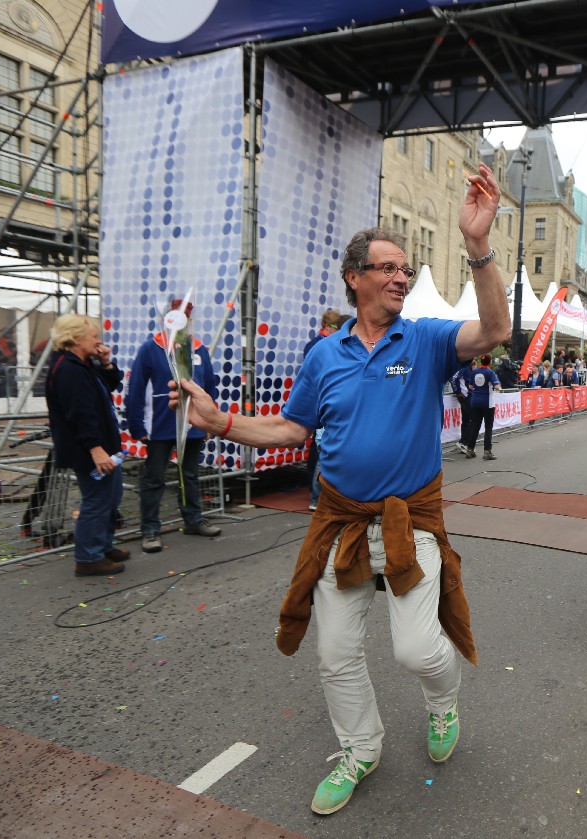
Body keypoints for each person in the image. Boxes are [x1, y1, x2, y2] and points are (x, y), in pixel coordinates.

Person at [171, 163, 509, 817]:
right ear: (355, 278)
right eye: (388, 268)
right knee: (334, 654)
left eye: (405, 269)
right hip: (340, 522)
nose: (401, 277)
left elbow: (494, 330)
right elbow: (292, 428)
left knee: (417, 649)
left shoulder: (427, 338)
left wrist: (477, 243)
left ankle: (443, 701)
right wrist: (219, 422)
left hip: (411, 520)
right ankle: (361, 747)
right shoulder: (324, 354)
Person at [125, 301, 222, 554]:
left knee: (190, 475)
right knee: (154, 478)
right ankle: (150, 528)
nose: (184, 322)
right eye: (179, 316)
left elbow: (209, 387)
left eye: (187, 317)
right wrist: (136, 425)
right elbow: (136, 387)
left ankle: (193, 519)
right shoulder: (151, 348)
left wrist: (211, 420)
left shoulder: (198, 348)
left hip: (194, 423)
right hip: (161, 423)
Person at [44, 314, 131, 576]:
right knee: (97, 501)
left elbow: (108, 386)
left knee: (111, 497)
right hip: (90, 450)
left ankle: (102, 546)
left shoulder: (81, 364)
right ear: (75, 338)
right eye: (93, 336)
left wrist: (105, 363)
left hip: (103, 446)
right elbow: (80, 414)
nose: (98, 341)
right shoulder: (69, 369)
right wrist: (95, 448)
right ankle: (88, 558)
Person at [303, 310, 350, 510]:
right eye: (335, 327)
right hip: (324, 403)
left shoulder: (332, 345)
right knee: (321, 451)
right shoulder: (319, 346)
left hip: (330, 403)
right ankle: (316, 496)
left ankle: (323, 495)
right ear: (328, 326)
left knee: (324, 450)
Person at [461, 353, 500, 460]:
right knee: (488, 427)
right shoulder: (490, 372)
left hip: (475, 401)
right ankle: (487, 452)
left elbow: (470, 386)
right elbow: (497, 386)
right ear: (490, 362)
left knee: (475, 426)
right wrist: (496, 386)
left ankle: (470, 450)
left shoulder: (475, 371)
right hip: (487, 402)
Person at [450, 359, 475, 455]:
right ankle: (463, 442)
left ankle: (465, 444)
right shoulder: (464, 368)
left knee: (466, 419)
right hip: (465, 396)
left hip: (465, 395)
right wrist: (458, 392)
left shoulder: (467, 368)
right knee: (474, 419)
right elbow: (454, 378)